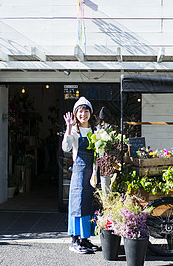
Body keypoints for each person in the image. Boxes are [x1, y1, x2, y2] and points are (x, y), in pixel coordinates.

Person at [62, 97, 99, 254]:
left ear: (90, 113)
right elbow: (66, 147)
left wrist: (96, 172)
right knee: (77, 205)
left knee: (89, 205)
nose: (83, 114)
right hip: (78, 173)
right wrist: (68, 129)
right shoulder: (75, 130)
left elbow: (98, 153)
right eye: (79, 111)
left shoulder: (95, 131)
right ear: (75, 113)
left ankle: (85, 239)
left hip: (91, 173)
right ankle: (75, 240)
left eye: (86, 111)